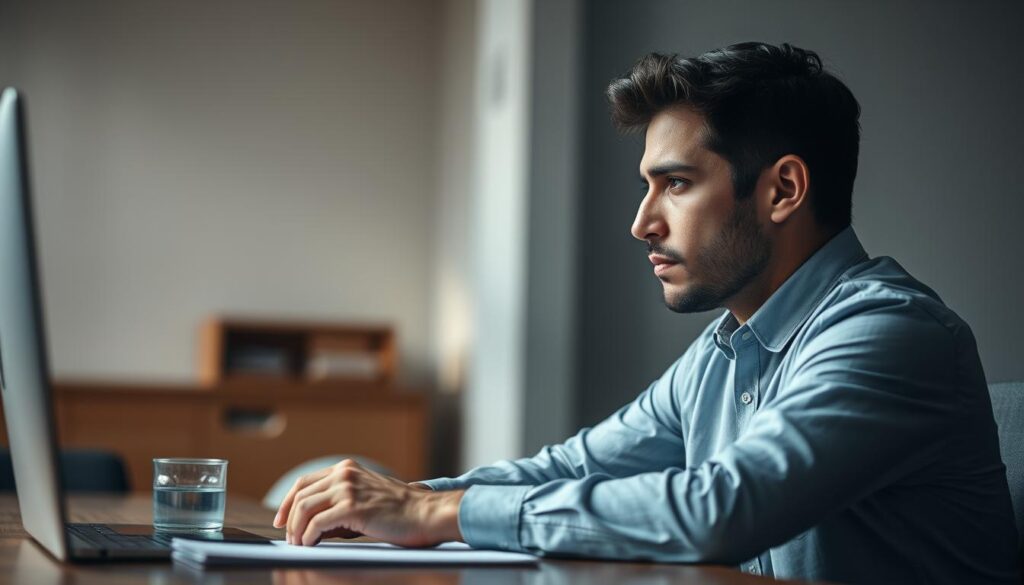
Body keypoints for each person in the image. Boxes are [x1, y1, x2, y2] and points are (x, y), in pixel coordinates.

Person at [273, 42, 1021, 584]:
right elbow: (569, 467)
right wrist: (400, 501)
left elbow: (720, 508)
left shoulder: (892, 334)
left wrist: (436, 515)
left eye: (676, 184)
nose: (643, 222)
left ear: (783, 190)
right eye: (647, 186)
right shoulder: (724, 349)